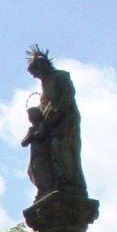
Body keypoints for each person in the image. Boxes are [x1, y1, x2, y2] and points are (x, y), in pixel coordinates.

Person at [25, 46, 87, 194]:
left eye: (35, 73)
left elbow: (68, 94)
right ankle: (54, 183)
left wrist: (58, 110)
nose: (35, 77)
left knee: (61, 148)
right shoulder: (44, 84)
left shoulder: (61, 76)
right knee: (47, 154)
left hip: (66, 121)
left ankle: (69, 181)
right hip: (51, 122)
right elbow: (44, 103)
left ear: (42, 67)